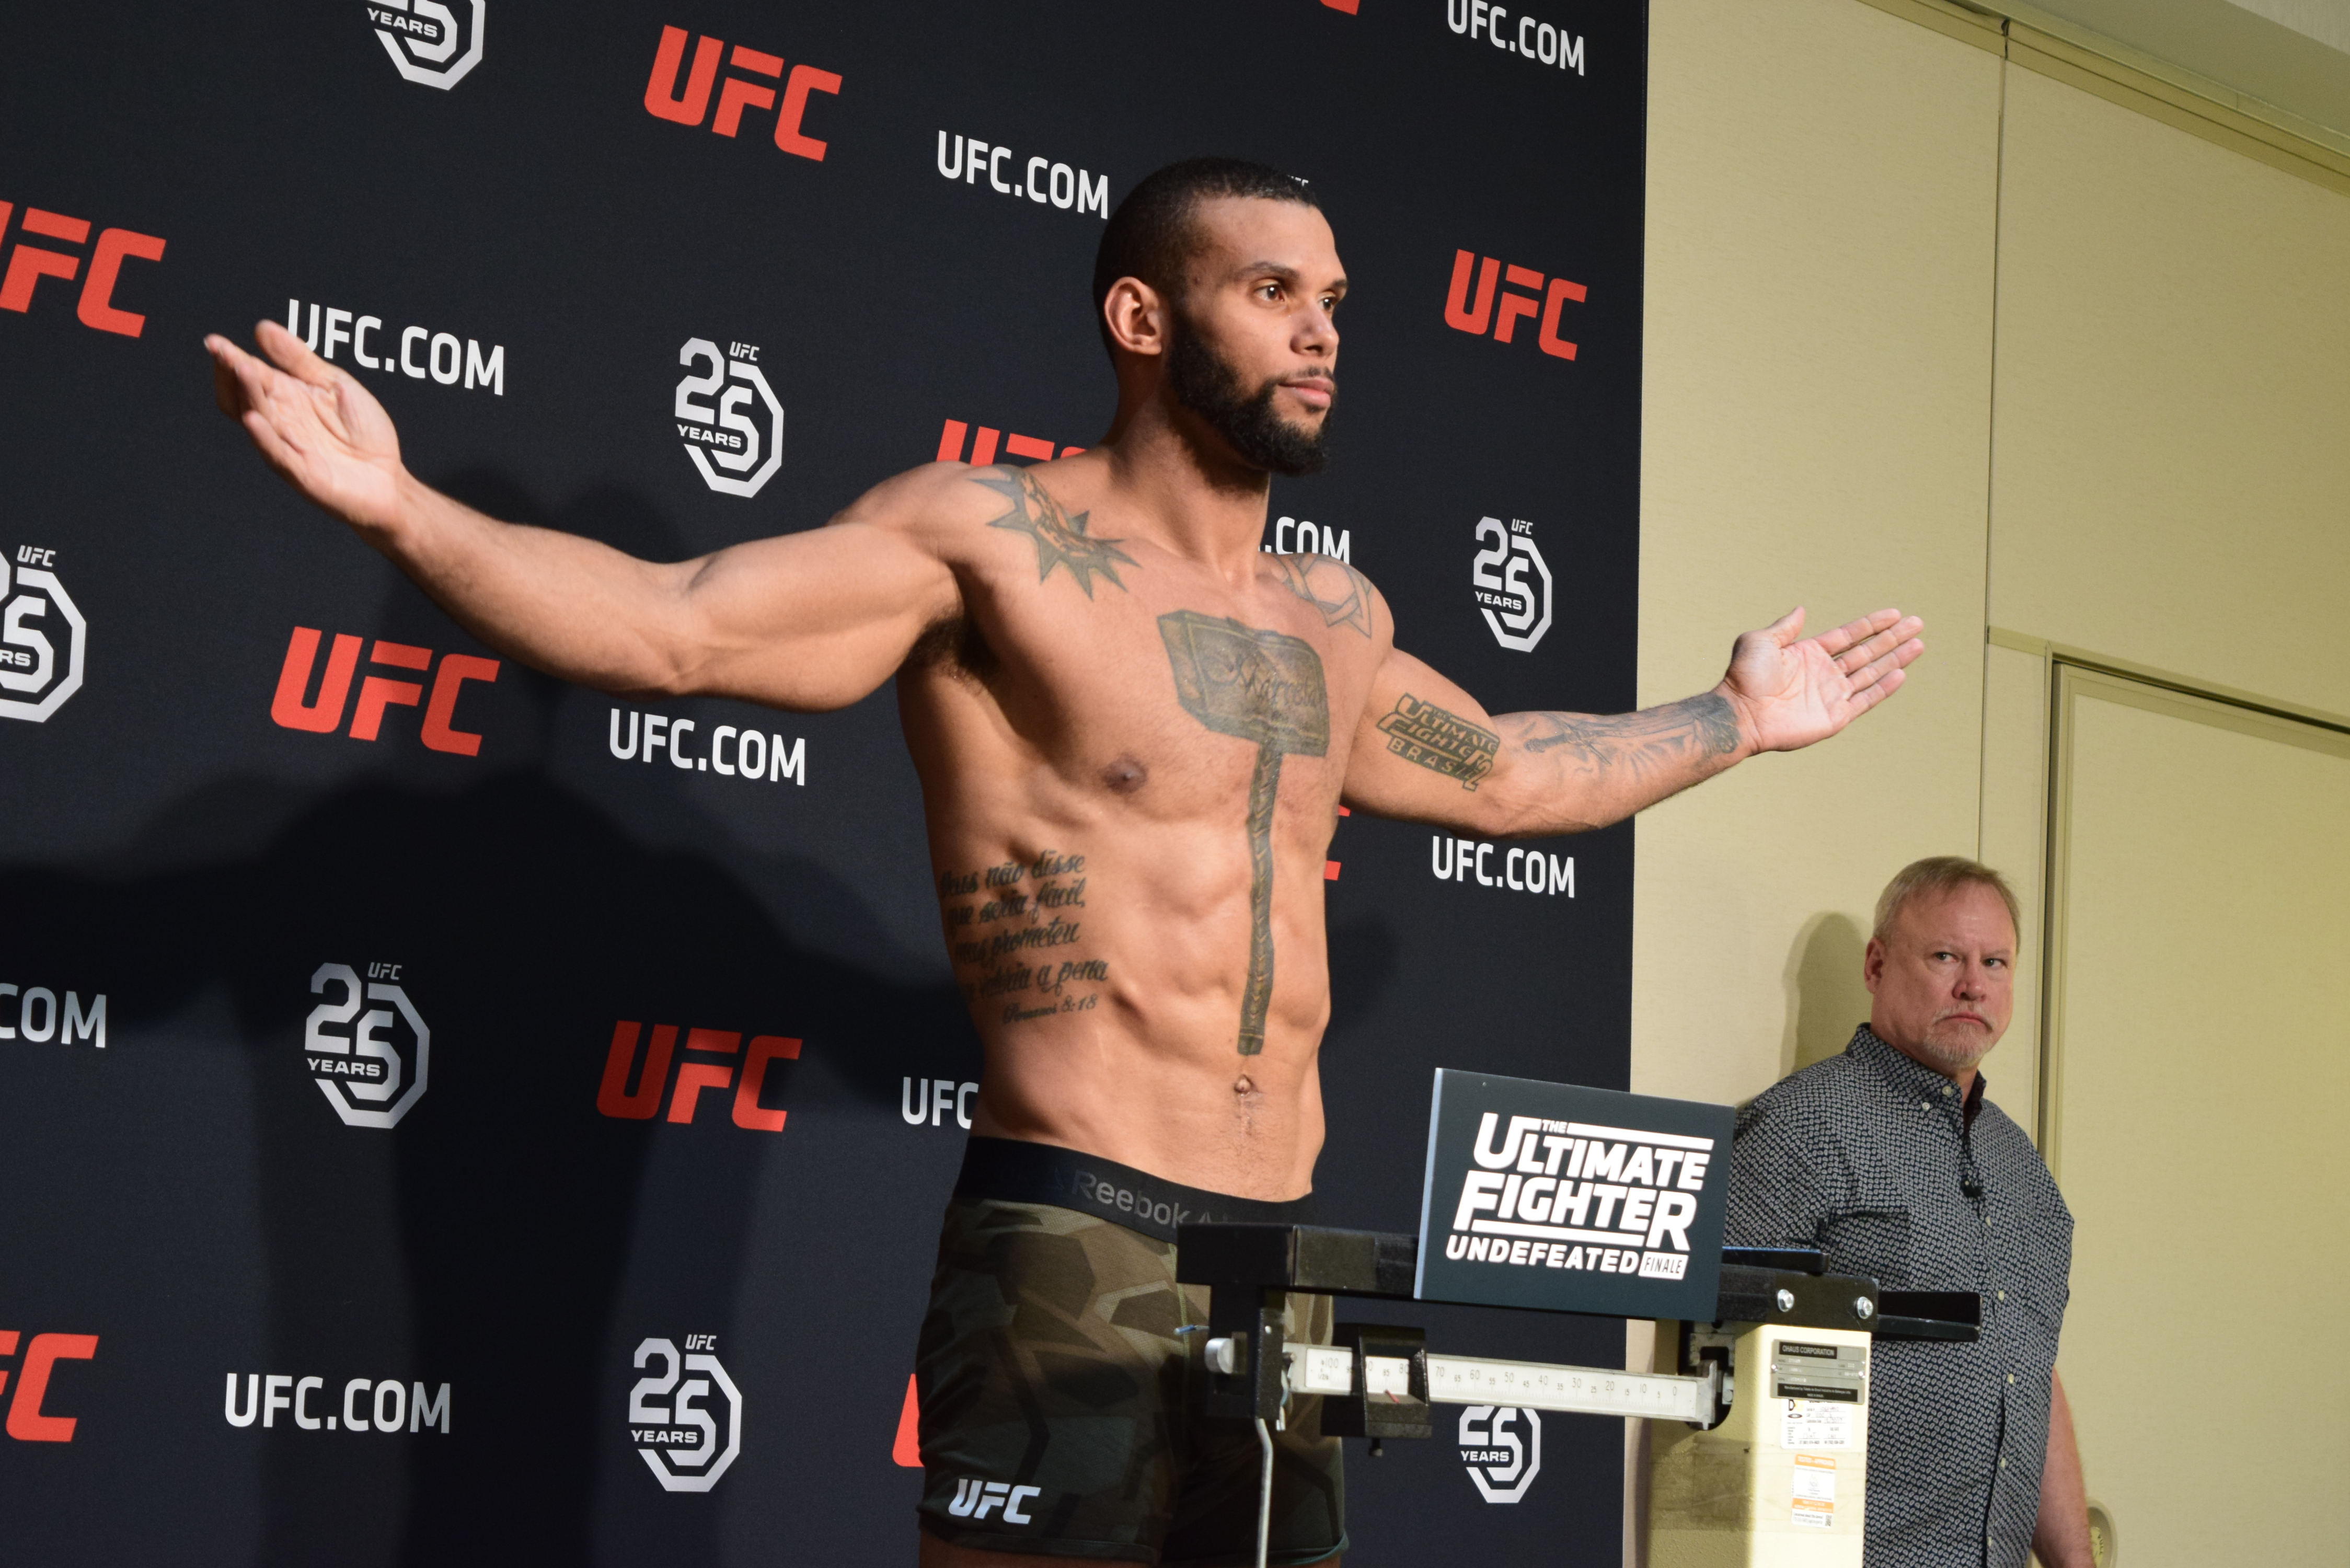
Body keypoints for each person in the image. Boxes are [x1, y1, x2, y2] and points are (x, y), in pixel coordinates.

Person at [208, 157, 1925, 1567]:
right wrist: (404, 507)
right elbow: (678, 627)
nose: (1321, 331)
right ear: (1142, 317)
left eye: (1335, 300)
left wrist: (1730, 718)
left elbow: (1511, 774)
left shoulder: (1333, 616)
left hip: (1287, 1258)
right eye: (1273, 291)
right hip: (1077, 1234)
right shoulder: (990, 543)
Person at [1726, 858, 2090, 1568]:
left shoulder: (2024, 1172)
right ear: (1876, 965)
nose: (1973, 985)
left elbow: (2030, 1376)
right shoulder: (1800, 1128)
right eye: (1946, 956)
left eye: (1995, 962)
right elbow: (1719, 1371)